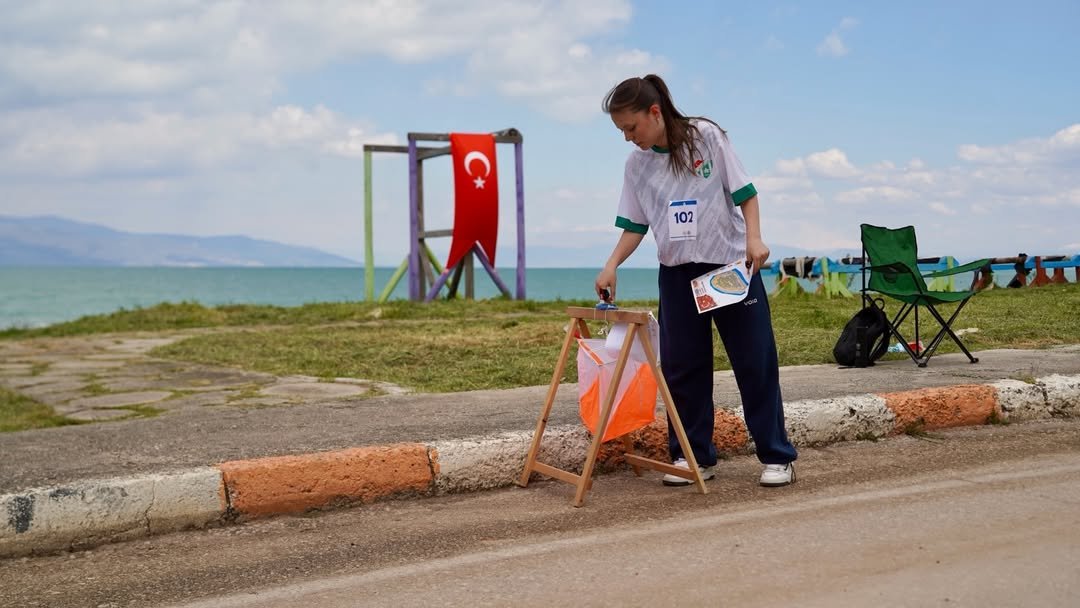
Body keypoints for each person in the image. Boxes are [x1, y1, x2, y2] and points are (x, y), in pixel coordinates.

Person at [594, 74, 797, 488]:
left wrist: (754, 238)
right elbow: (636, 224)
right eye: (621, 131)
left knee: (753, 361)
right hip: (677, 273)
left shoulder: (706, 137)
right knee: (684, 369)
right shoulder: (637, 164)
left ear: (655, 112)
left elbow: (746, 193)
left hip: (727, 267)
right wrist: (612, 263)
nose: (628, 138)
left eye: (631, 128)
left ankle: (777, 456)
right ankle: (692, 456)